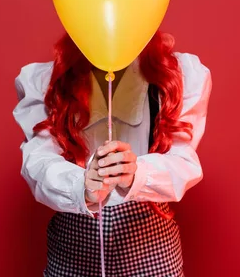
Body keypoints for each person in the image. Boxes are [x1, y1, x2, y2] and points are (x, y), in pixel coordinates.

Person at [13, 31, 212, 277]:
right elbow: (38, 162)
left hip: (150, 250)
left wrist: (136, 173)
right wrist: (82, 185)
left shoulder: (178, 74)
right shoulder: (46, 80)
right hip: (73, 253)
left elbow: (184, 162)